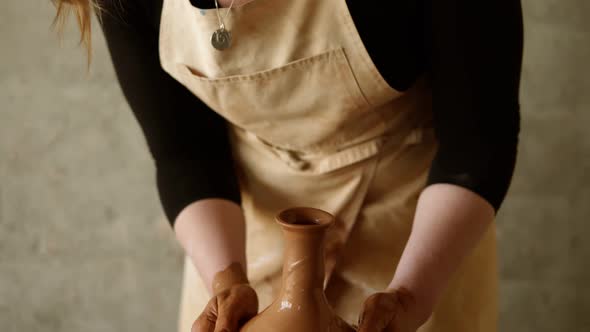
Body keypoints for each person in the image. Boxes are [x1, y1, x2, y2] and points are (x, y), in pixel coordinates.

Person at [53, 0, 523, 331]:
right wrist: (225, 277)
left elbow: (478, 145)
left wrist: (411, 297)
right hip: (242, 221)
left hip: (418, 221)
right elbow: (186, 152)